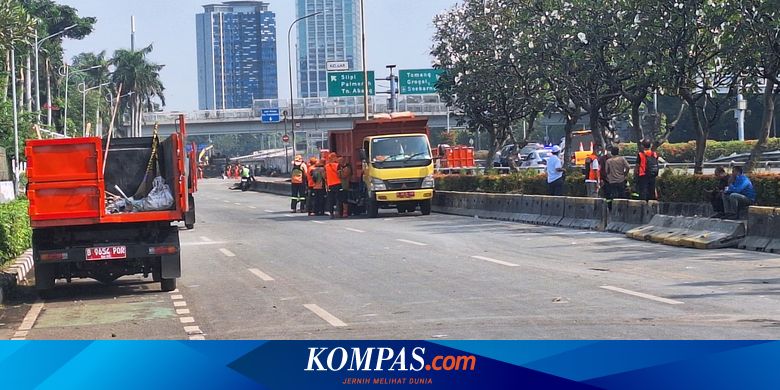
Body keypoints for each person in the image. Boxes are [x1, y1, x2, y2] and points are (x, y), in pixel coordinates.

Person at [325, 152, 342, 218]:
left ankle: (331, 213)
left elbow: (324, 176)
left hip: (330, 184)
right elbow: (340, 174)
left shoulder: (326, 166)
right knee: (338, 199)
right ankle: (338, 213)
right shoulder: (337, 165)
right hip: (338, 183)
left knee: (331, 200)